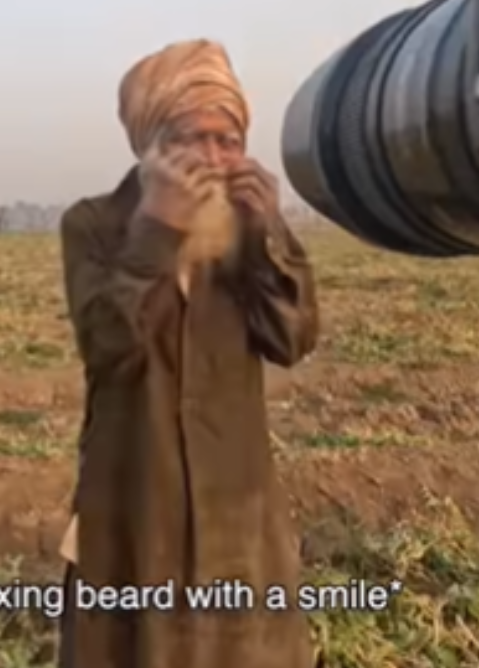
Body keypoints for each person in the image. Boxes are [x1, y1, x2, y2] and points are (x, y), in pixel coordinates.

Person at [57, 39, 319, 668]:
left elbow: (292, 339)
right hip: (133, 501)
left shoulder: (244, 228)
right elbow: (108, 346)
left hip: (237, 504)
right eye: (190, 137)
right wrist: (157, 230)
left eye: (228, 140)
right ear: (150, 144)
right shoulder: (94, 224)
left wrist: (268, 236)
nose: (212, 157)